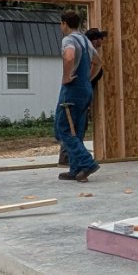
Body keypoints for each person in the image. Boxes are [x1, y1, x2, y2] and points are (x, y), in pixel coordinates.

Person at [54, 11, 99, 183]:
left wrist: (66, 77)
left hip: (72, 91)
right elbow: (98, 62)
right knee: (76, 131)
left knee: (63, 130)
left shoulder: (69, 40)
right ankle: (75, 170)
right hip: (85, 90)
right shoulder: (85, 41)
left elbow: (69, 56)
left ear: (64, 23)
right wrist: (87, 78)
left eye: (61, 24)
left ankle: (88, 163)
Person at [60, 28, 107, 166]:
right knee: (70, 127)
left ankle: (73, 160)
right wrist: (85, 81)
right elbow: (72, 62)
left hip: (82, 97)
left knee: (76, 128)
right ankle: (70, 159)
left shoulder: (88, 54)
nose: (101, 44)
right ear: (94, 40)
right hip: (77, 97)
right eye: (100, 41)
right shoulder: (86, 55)